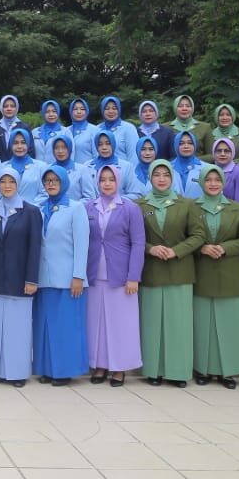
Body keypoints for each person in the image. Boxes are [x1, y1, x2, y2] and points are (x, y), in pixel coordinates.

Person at [138, 160, 205, 388]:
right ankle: (154, 370)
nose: (161, 178)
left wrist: (177, 251)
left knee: (179, 324)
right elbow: (134, 238)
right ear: (150, 177)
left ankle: (178, 371)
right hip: (152, 270)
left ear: (172, 177)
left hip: (179, 269)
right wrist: (151, 248)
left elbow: (198, 235)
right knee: (153, 323)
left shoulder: (186, 204)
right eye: (156, 174)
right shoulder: (139, 205)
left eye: (166, 174)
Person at [190, 164, 239, 389]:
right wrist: (202, 248)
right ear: (202, 182)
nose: (213, 184)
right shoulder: (192, 207)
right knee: (203, 323)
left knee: (230, 324)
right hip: (202, 271)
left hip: (231, 271)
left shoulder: (237, 209)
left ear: (224, 183)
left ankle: (229, 371)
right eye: (209, 180)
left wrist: (226, 247)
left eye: (217, 180)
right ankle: (203, 369)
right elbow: (185, 236)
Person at [0, 165, 42, 387]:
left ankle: (17, 373)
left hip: (20, 280)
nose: (7, 186)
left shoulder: (31, 211)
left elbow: (35, 248)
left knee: (18, 329)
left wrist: (32, 279)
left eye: (11, 182)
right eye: (3, 182)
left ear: (18, 184)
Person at [85, 163, 145, 388]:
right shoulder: (88, 207)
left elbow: (138, 243)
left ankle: (119, 368)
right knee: (96, 323)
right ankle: (99, 365)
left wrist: (134, 276)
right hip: (94, 274)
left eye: (111, 179)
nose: (107, 183)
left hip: (120, 276)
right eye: (103, 179)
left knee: (121, 324)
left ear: (118, 181)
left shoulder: (129, 208)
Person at [32, 165, 90, 386]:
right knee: (45, 326)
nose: (51, 184)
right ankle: (47, 369)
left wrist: (78, 276)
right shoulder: (39, 207)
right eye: (48, 180)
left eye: (56, 180)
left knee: (66, 327)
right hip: (44, 278)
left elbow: (82, 244)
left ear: (64, 182)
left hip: (68, 280)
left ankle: (65, 371)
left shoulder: (76, 208)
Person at [47, 136, 96, 202]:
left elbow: (90, 197)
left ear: (70, 149)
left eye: (64, 147)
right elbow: (43, 195)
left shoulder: (82, 170)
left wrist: (72, 208)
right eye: (57, 148)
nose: (60, 151)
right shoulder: (48, 170)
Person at [97, 96, 139, 163]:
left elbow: (134, 156)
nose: (111, 111)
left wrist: (130, 172)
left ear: (119, 109)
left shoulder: (128, 128)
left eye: (114, 108)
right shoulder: (97, 129)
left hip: (123, 171)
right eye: (107, 108)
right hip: (101, 171)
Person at [0, 95, 30, 161]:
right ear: (1, 108)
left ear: (17, 108)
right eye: (6, 106)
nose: (9, 109)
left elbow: (30, 151)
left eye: (12, 106)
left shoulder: (24, 127)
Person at [169, 131, 204, 198]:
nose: (186, 146)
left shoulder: (206, 168)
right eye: (181, 143)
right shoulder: (167, 167)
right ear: (176, 145)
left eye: (190, 143)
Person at [65, 98, 97, 163]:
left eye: (82, 109)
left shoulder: (94, 130)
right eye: (75, 109)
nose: (79, 112)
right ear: (71, 111)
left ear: (87, 111)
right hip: (68, 171)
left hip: (88, 171)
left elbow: (97, 156)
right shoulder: (65, 131)